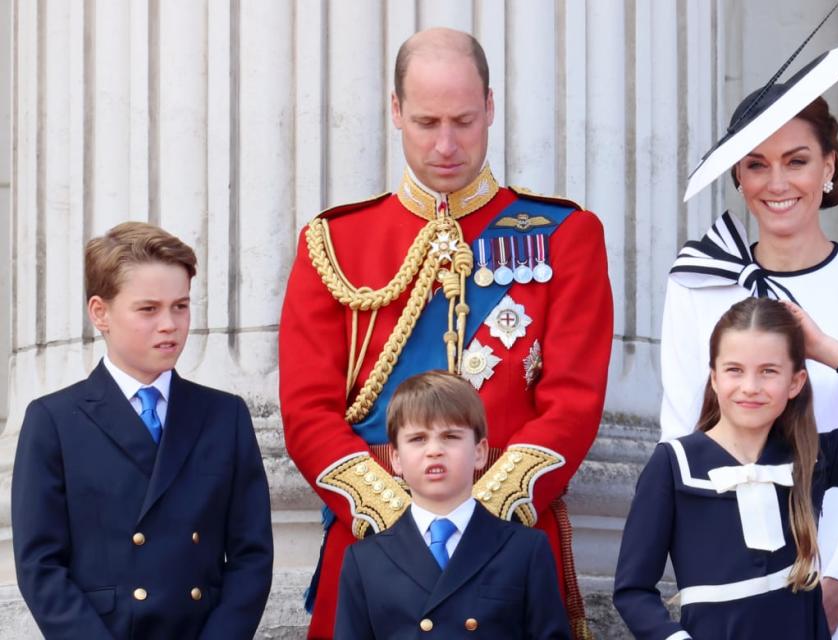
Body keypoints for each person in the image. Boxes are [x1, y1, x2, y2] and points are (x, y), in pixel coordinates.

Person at [279, 27, 612, 639]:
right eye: (427, 122)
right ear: (395, 111)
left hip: (507, 542)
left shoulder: (566, 235)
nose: (447, 144)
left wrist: (477, 515)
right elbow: (306, 411)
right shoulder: (334, 243)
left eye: (464, 119)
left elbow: (575, 401)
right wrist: (399, 515)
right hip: (372, 542)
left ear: (491, 106)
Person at [660, 37, 838, 639]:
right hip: (732, 557)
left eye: (797, 160)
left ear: (829, 165)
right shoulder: (698, 284)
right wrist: (709, 571)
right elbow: (680, 435)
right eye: (756, 163)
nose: (777, 182)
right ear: (738, 175)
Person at [12, 222, 274, 639]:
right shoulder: (54, 420)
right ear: (100, 313)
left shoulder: (225, 416)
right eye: (148, 309)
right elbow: (39, 565)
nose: (169, 324)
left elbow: (251, 556)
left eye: (181, 306)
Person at [616, 297, 838, 639]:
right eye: (734, 369)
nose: (750, 386)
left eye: (769, 371)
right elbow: (633, 591)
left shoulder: (814, 456)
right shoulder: (673, 463)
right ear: (715, 378)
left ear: (795, 383)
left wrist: (822, 345)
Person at [334, 371, 571, 639]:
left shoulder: (525, 550)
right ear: (396, 459)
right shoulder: (365, 560)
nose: (434, 450)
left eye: (450, 437)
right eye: (418, 439)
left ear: (479, 452)